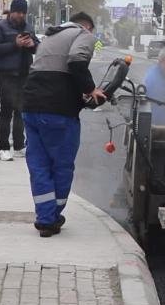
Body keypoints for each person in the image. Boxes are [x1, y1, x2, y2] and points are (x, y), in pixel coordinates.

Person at [21, 12, 106, 237]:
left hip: (31, 105)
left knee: (39, 165)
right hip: (58, 110)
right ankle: (50, 217)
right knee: (61, 165)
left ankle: (45, 217)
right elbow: (77, 61)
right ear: (87, 26)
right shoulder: (84, 35)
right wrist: (91, 90)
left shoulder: (50, 36)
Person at [0, 0, 38, 161]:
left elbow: (38, 47)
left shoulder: (28, 27)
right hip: (6, 75)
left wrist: (32, 44)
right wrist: (15, 44)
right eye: (18, 12)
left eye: (23, 13)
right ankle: (3, 147)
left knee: (21, 111)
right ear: (12, 11)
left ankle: (19, 145)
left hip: (24, 75)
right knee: (6, 112)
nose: (21, 16)